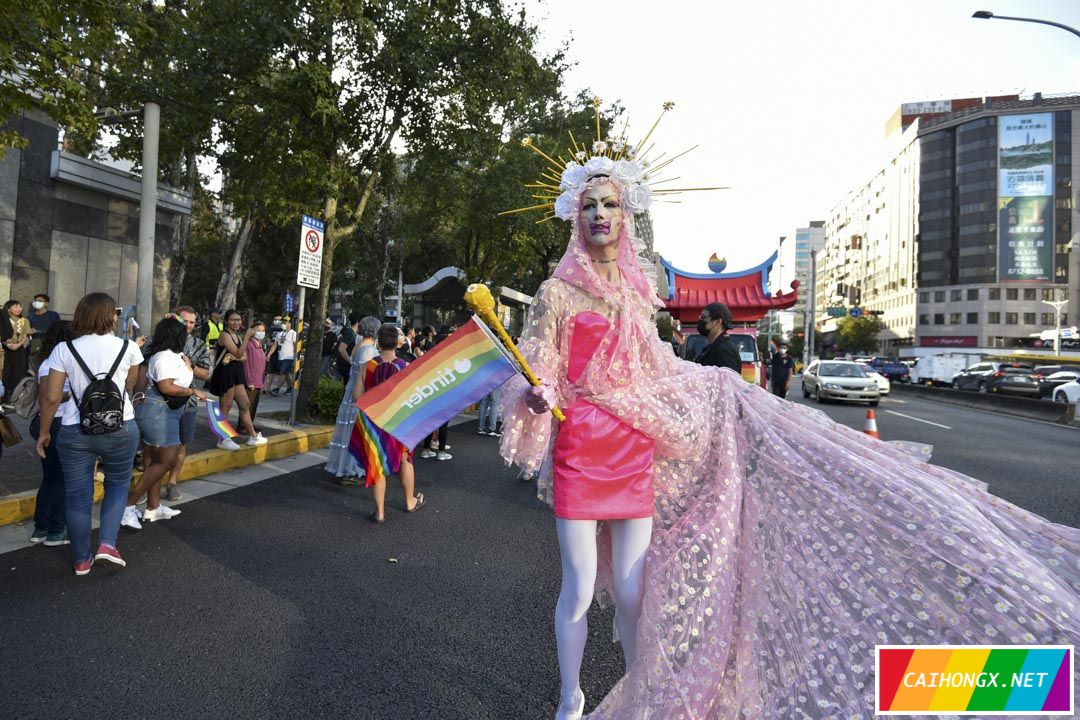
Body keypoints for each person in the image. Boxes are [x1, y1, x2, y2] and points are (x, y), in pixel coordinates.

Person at [499, 150, 1080, 718]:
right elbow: (540, 364)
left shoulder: (638, 292)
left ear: (626, 218)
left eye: (611, 204)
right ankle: (570, 697)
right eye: (589, 205)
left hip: (634, 448)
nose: (600, 214)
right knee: (577, 589)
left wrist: (719, 387)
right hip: (581, 448)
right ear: (574, 216)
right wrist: (536, 393)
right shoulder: (556, 294)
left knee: (632, 592)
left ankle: (638, 691)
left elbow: (658, 368)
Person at [35, 292, 144, 575]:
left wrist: (44, 432)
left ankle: (82, 558)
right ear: (111, 316)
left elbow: (51, 397)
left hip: (74, 429)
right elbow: (130, 384)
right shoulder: (128, 346)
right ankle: (107, 544)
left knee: (77, 496)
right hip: (121, 426)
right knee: (118, 485)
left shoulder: (64, 350)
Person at [123, 316, 209, 530]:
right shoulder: (164, 357)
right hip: (160, 411)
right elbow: (167, 387)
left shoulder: (172, 355)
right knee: (168, 460)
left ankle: (153, 507)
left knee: (155, 462)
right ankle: (127, 505)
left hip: (164, 411)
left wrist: (188, 367)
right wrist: (193, 391)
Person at [357, 323, 425, 523]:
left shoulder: (368, 366)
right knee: (405, 460)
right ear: (397, 343)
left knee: (377, 465)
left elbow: (357, 397)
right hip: (399, 422)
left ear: (378, 343)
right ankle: (410, 501)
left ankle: (379, 513)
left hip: (374, 422)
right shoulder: (405, 367)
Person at [28, 320, 73, 546]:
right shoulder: (52, 366)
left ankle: (41, 528)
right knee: (60, 479)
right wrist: (71, 394)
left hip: (50, 424)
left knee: (50, 478)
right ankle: (56, 529)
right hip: (56, 424)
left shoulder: (46, 362)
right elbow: (48, 397)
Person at [325, 315, 380, 485]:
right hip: (360, 393)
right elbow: (366, 376)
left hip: (351, 392)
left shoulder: (359, 345)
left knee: (350, 432)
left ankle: (349, 469)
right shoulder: (369, 349)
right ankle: (351, 471)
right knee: (356, 433)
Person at [164, 306, 211, 502]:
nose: (189, 326)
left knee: (182, 444)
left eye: (192, 322)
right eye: (185, 321)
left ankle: (172, 483)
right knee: (159, 446)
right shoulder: (164, 340)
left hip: (189, 402)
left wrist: (190, 366)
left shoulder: (199, 345)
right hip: (162, 401)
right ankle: (151, 484)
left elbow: (206, 374)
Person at [207, 309, 266, 449]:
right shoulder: (225, 335)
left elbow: (243, 356)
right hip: (226, 374)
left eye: (238, 320)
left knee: (245, 404)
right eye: (233, 320)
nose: (236, 322)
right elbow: (240, 353)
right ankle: (223, 439)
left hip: (237, 374)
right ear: (226, 322)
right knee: (225, 407)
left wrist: (236, 356)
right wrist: (246, 338)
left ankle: (253, 436)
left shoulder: (237, 336)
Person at [692, 301, 741, 374]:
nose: (700, 320)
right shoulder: (713, 346)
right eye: (700, 317)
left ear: (717, 322)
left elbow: (728, 383)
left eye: (704, 317)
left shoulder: (725, 351)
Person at [1, 299, 31, 405]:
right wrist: (6, 344)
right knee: (5, 373)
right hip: (5, 349)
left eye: (19, 306)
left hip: (19, 350)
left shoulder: (24, 320)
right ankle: (4, 398)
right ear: (8, 308)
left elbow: (25, 335)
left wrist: (18, 345)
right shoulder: (4, 320)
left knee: (18, 374)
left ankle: (14, 398)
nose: (18, 308)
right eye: (15, 306)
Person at [268, 317, 297, 397]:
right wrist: (269, 354)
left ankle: (277, 389)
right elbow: (275, 345)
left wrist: (296, 357)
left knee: (283, 372)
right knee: (286, 373)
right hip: (281, 357)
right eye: (283, 323)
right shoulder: (280, 334)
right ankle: (291, 387)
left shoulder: (293, 333)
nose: (284, 324)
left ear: (290, 324)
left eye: (286, 323)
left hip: (289, 356)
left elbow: (295, 346)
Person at [27, 293, 60, 361]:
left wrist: (39, 331)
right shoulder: (30, 316)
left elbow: (57, 329)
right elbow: (28, 330)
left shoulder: (53, 315)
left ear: (46, 304)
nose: (36, 302)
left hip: (50, 344)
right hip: (35, 344)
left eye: (39, 301)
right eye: (35, 301)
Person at [335, 312, 361, 381]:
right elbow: (341, 349)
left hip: (347, 366)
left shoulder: (353, 333)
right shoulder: (350, 333)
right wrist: (350, 361)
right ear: (358, 322)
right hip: (345, 366)